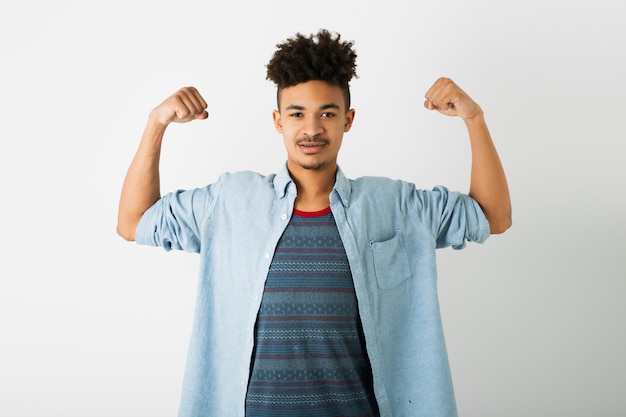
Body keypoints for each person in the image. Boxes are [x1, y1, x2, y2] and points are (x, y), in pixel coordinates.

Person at [117, 29, 511, 417]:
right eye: (297, 114)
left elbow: (493, 216)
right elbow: (133, 223)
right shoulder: (230, 201)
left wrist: (474, 119)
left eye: (327, 113)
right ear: (277, 120)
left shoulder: (395, 205)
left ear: (348, 119)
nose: (311, 128)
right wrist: (156, 124)